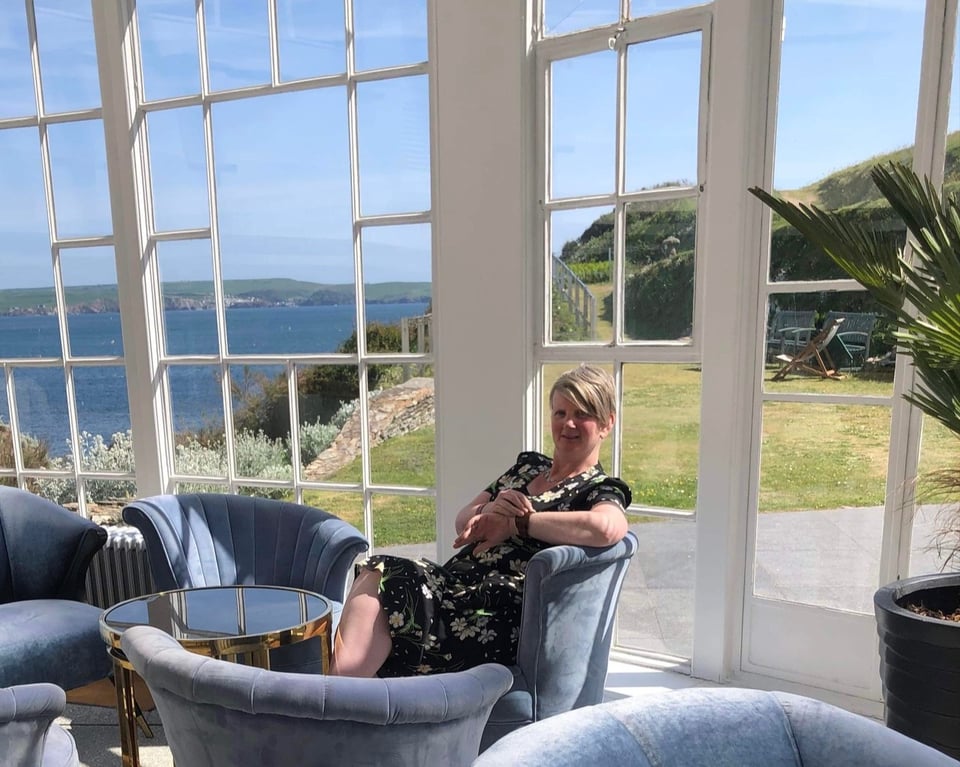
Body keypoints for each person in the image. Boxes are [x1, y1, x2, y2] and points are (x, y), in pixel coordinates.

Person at [330, 364, 632, 677]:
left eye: (582, 413)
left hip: (492, 609)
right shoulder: (527, 468)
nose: (568, 423)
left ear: (606, 424)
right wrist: (490, 512)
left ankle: (330, 703)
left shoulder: (599, 488)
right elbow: (463, 521)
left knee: (387, 577)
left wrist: (520, 523)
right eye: (560, 412)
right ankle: (335, 697)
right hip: (454, 585)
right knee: (375, 574)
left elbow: (608, 528)